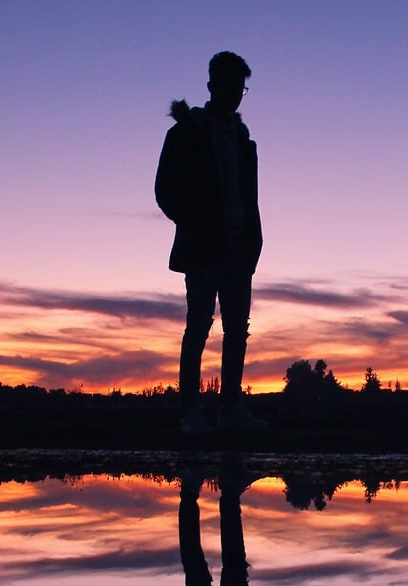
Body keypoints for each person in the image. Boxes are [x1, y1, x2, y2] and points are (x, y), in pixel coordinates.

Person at [156, 51, 267, 434]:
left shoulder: (241, 139)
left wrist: (254, 241)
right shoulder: (186, 133)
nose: (236, 94)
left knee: (237, 328)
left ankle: (230, 409)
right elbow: (165, 191)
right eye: (230, 86)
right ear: (212, 86)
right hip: (204, 250)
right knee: (199, 326)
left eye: (241, 88)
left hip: (239, 251)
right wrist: (195, 225)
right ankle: (191, 413)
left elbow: (249, 198)